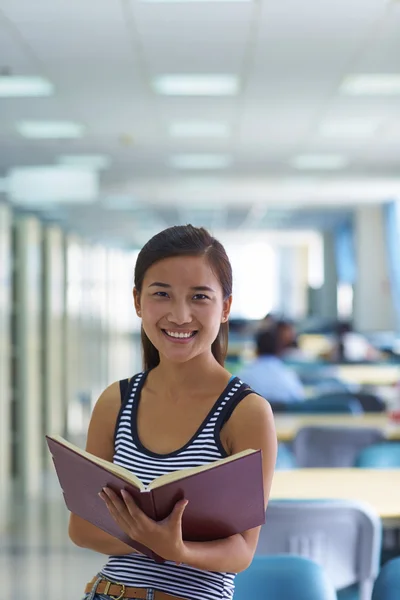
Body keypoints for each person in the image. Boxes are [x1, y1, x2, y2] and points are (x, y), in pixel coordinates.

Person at [69, 225, 277, 600]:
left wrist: (176, 549)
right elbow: (81, 529)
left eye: (199, 297)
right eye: (161, 294)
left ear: (225, 307)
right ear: (137, 302)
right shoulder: (115, 402)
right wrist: (154, 538)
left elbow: (241, 551)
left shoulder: (246, 413)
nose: (180, 315)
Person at [238, 326, 305, 404]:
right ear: (279, 350)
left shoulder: (244, 375)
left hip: (253, 415)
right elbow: (300, 399)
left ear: (256, 350)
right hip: (286, 415)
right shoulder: (287, 375)